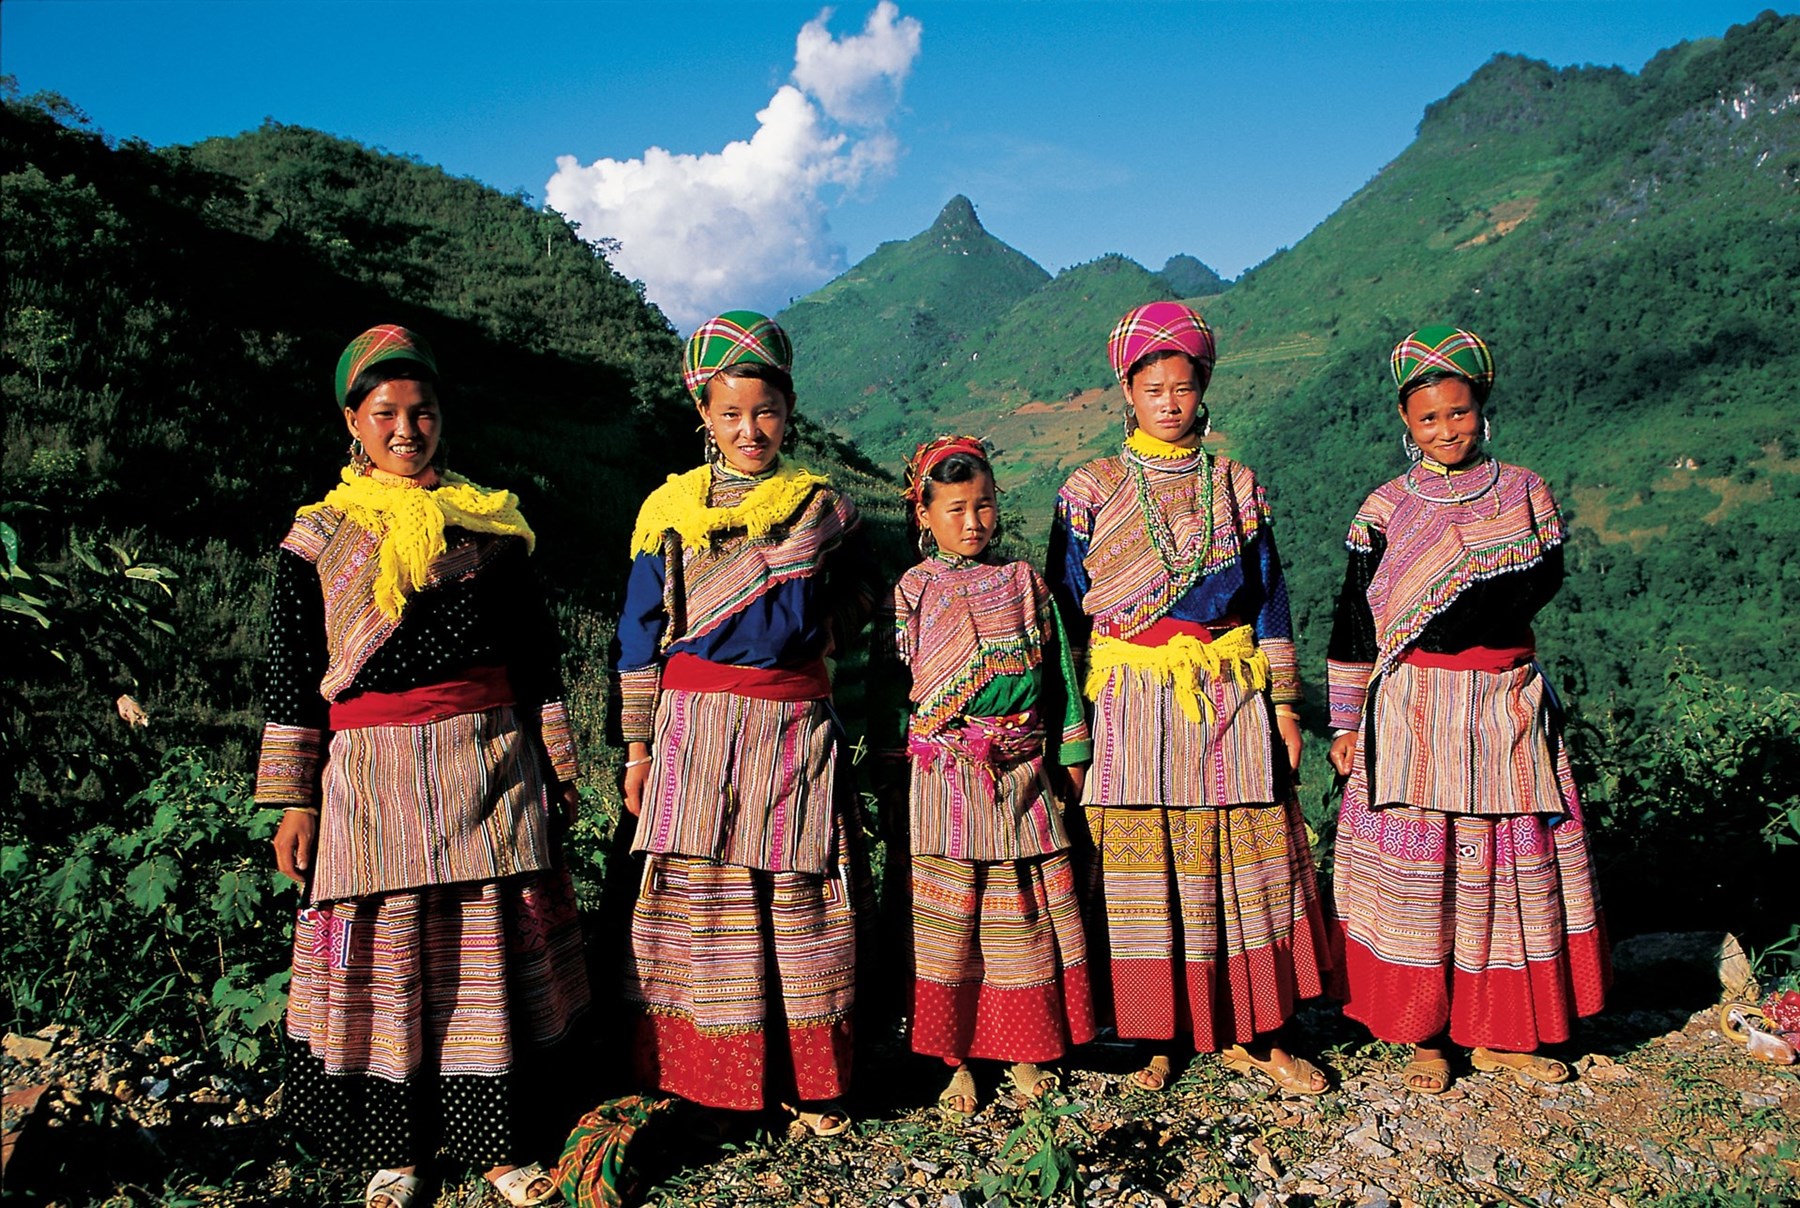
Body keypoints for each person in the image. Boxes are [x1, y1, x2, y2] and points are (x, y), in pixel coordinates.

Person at [260, 326, 588, 1208]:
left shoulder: (492, 527)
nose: (408, 429)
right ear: (352, 422)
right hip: (371, 775)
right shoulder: (316, 539)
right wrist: (293, 801)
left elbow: (536, 657)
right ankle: (396, 1153)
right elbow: (293, 674)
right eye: (386, 413)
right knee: (393, 959)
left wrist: (557, 766)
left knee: (487, 958)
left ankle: (501, 1146)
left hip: (490, 763)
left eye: (423, 411)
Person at [1047, 302, 1330, 1096]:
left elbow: (1269, 596)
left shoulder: (1238, 487)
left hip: (1226, 693)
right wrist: (1068, 726)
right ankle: (1155, 1034)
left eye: (1183, 386)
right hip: (1131, 697)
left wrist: (1282, 704)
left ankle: (1259, 1030)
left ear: (1203, 388)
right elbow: (1067, 612)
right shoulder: (1090, 490)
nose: (1169, 401)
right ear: (1127, 394)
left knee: (1243, 864)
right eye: (1153, 388)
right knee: (1143, 871)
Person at [614, 310, 879, 1137]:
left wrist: (826, 638)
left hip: (794, 726)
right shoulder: (669, 511)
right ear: (704, 416)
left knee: (798, 898)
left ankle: (808, 1077)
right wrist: (635, 744)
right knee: (705, 899)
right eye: (729, 414)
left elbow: (869, 590)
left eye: (763, 411)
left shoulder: (821, 508)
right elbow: (638, 631)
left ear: (788, 411)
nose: (748, 429)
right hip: (693, 730)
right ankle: (702, 1073)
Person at [1325, 325, 1609, 1094]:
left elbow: (1535, 583)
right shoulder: (1382, 510)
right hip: (1414, 713)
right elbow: (1353, 620)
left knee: (1502, 877)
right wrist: (1346, 725)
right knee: (1424, 881)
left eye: (1458, 413)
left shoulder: (1524, 493)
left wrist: (1456, 623)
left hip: (1504, 707)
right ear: (1404, 423)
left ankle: (1500, 1032)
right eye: (1428, 418)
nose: (1445, 429)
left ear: (1482, 411)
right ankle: (1425, 1036)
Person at [879, 436, 1095, 1121]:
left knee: (1020, 913)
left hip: (1024, 770)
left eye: (984, 505)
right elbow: (890, 686)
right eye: (954, 509)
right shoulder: (912, 590)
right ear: (924, 515)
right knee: (951, 923)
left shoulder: (1025, 583)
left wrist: (1071, 753)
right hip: (944, 772)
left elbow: (1059, 669)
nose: (973, 522)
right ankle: (958, 1059)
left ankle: (1026, 1048)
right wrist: (887, 766)